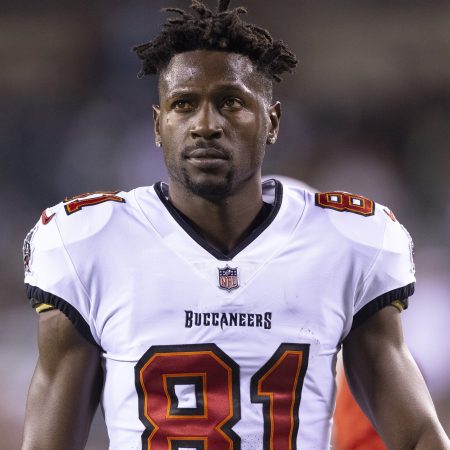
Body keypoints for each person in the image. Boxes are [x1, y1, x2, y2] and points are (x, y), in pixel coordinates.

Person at [21, 1, 449, 449]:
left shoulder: (346, 242)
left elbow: (418, 434)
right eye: (184, 104)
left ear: (273, 121)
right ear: (158, 124)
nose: (206, 125)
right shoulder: (89, 242)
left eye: (231, 103)